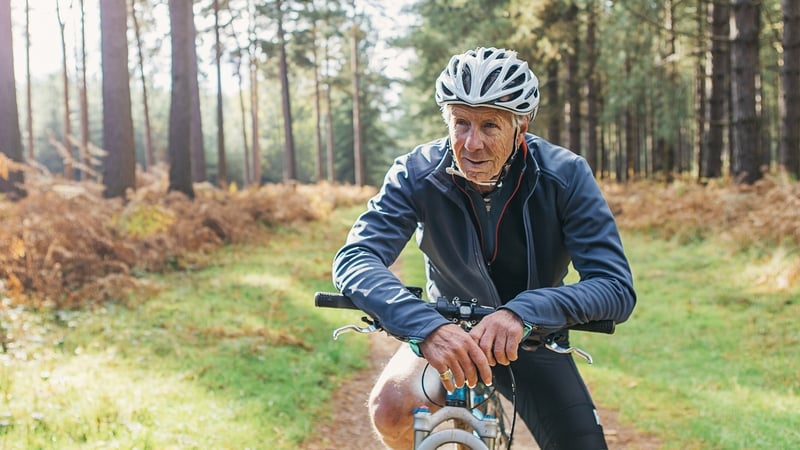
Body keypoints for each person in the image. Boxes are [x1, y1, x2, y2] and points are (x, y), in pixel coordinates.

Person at [332, 47, 636, 449]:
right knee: (390, 407)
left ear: (520, 125)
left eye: (490, 125)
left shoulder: (565, 175)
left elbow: (614, 286)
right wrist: (425, 326)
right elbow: (356, 258)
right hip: (446, 329)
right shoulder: (416, 173)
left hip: (532, 335)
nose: (471, 143)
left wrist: (523, 312)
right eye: (461, 123)